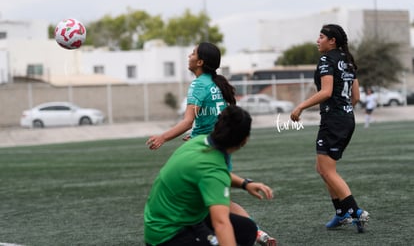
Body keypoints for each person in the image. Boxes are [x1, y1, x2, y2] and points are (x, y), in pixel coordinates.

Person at [146, 42, 276, 245]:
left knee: (214, 202)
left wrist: (163, 137)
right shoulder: (217, 83)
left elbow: (188, 121)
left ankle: (209, 234)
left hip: (208, 148)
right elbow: (220, 117)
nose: (188, 55)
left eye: (193, 53)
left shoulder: (199, 84)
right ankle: (256, 232)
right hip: (218, 145)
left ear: (199, 62)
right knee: (217, 197)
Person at [144, 105, 274, 246]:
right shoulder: (213, 170)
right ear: (244, 140)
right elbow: (221, 224)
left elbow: (211, 173)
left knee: (246, 229)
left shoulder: (199, 141)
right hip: (168, 235)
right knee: (225, 233)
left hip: (178, 220)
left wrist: (245, 184)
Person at [290, 24, 369, 233]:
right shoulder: (348, 60)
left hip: (333, 120)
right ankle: (341, 213)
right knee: (322, 169)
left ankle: (355, 212)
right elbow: (356, 97)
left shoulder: (327, 59)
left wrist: (300, 106)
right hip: (346, 118)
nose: (318, 40)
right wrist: (342, 112)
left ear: (332, 40)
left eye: (321, 36)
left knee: (327, 170)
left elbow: (326, 92)